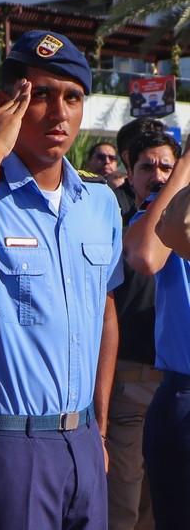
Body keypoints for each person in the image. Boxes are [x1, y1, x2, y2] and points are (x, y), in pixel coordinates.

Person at [0, 30, 122, 530]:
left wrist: (98, 425)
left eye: (72, 97)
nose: (59, 113)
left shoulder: (98, 203)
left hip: (81, 442)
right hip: (2, 446)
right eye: (41, 95)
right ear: (6, 102)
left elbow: (105, 310)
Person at [105, 131, 179, 530]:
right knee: (123, 504)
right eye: (147, 167)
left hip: (176, 385)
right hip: (129, 381)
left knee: (162, 502)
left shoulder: (183, 224)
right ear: (129, 173)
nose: (158, 175)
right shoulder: (116, 225)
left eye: (167, 165)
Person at [124, 133, 190, 530]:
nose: (157, 175)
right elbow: (145, 255)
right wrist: (184, 165)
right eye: (148, 167)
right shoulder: (171, 207)